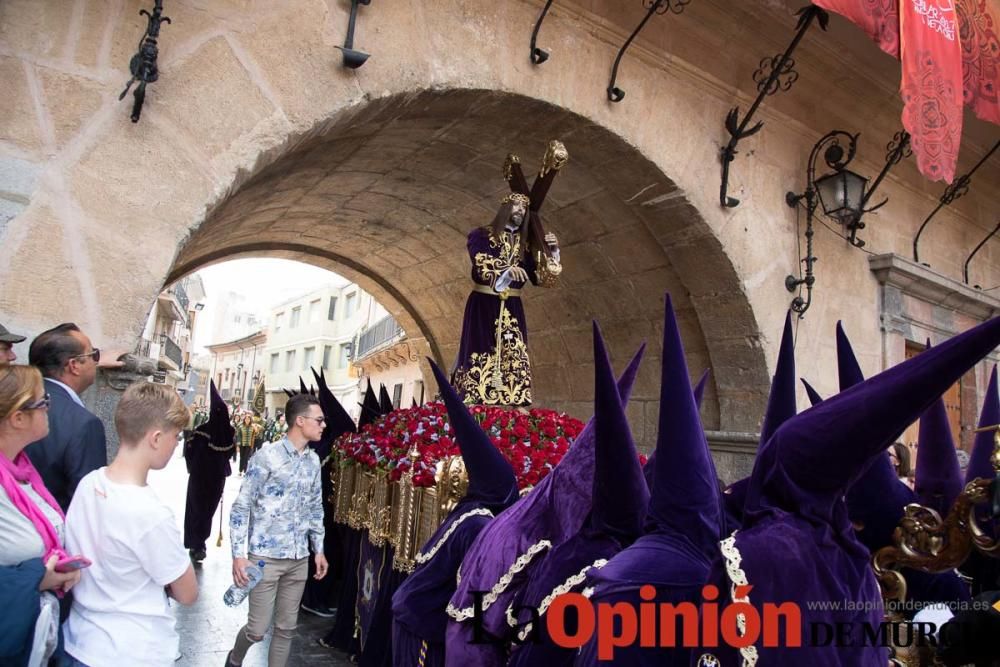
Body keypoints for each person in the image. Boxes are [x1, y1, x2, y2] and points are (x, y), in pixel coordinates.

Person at [62, 381, 197, 667]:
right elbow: (187, 593)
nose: (176, 444)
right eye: (176, 436)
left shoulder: (89, 484)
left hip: (80, 641)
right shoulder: (150, 513)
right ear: (156, 438)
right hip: (134, 650)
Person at [225, 393, 328, 667]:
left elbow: (315, 507)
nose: (323, 425)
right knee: (256, 630)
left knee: (286, 629)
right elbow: (241, 506)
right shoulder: (266, 457)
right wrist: (238, 555)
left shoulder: (313, 462)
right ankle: (235, 659)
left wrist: (318, 549)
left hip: (299, 559)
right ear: (300, 420)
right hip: (264, 558)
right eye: (318, 420)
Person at [0, 365, 81, 666]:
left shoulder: (23, 470)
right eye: (43, 402)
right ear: (18, 418)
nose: (50, 408)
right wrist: (40, 578)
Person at [451, 192, 560, 407]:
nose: (520, 210)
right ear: (504, 208)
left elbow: (541, 277)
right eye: (515, 205)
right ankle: (475, 399)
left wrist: (553, 252)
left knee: (514, 348)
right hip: (484, 302)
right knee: (480, 347)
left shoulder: (527, 246)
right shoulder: (481, 235)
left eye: (523, 207)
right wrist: (506, 271)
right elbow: (480, 260)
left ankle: (514, 399)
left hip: (512, 304)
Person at [24, 323, 106, 511]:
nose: (96, 362)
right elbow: (88, 506)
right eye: (93, 355)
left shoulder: (13, 400)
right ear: (74, 366)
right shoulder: (84, 424)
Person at [183, 381, 235, 563]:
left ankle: (196, 543)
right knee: (204, 512)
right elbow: (228, 454)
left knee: (198, 511)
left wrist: (193, 468)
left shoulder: (204, 432)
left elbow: (190, 453)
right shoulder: (226, 433)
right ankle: (198, 544)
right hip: (212, 480)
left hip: (201, 479)